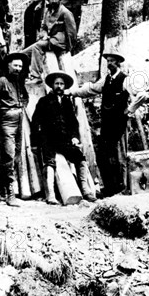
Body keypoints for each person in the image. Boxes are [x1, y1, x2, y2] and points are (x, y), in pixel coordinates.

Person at [67, 53, 147, 197]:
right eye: (108, 61)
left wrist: (130, 110)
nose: (110, 63)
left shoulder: (126, 80)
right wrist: (73, 92)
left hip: (120, 124)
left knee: (120, 157)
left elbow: (142, 94)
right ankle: (110, 188)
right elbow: (91, 89)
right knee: (105, 156)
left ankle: (122, 188)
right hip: (107, 124)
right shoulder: (106, 79)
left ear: (119, 63)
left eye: (112, 61)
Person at [31, 71, 95, 204]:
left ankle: (85, 190)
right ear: (52, 86)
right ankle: (51, 195)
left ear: (65, 86)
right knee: (49, 163)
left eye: (61, 84)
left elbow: (73, 123)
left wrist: (74, 137)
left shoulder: (67, 102)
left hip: (65, 140)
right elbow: (35, 122)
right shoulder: (44, 101)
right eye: (57, 84)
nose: (59, 86)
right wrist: (36, 142)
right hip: (48, 140)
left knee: (79, 157)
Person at [0, 53, 30, 207]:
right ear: (9, 65)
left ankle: (2, 186)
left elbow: (25, 96)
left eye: (20, 66)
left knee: (16, 154)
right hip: (6, 122)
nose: (18, 69)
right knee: (9, 155)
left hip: (19, 120)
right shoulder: (1, 81)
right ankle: (9, 194)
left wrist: (23, 105)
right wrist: (1, 110)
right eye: (15, 65)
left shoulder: (19, 82)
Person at [21, 0, 77, 82]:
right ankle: (22, 75)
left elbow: (72, 32)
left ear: (60, 0)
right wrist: (44, 34)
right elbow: (43, 26)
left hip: (59, 43)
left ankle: (36, 76)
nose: (54, 1)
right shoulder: (48, 11)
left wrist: (68, 48)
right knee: (24, 53)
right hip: (49, 40)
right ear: (49, 0)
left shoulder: (65, 12)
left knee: (37, 47)